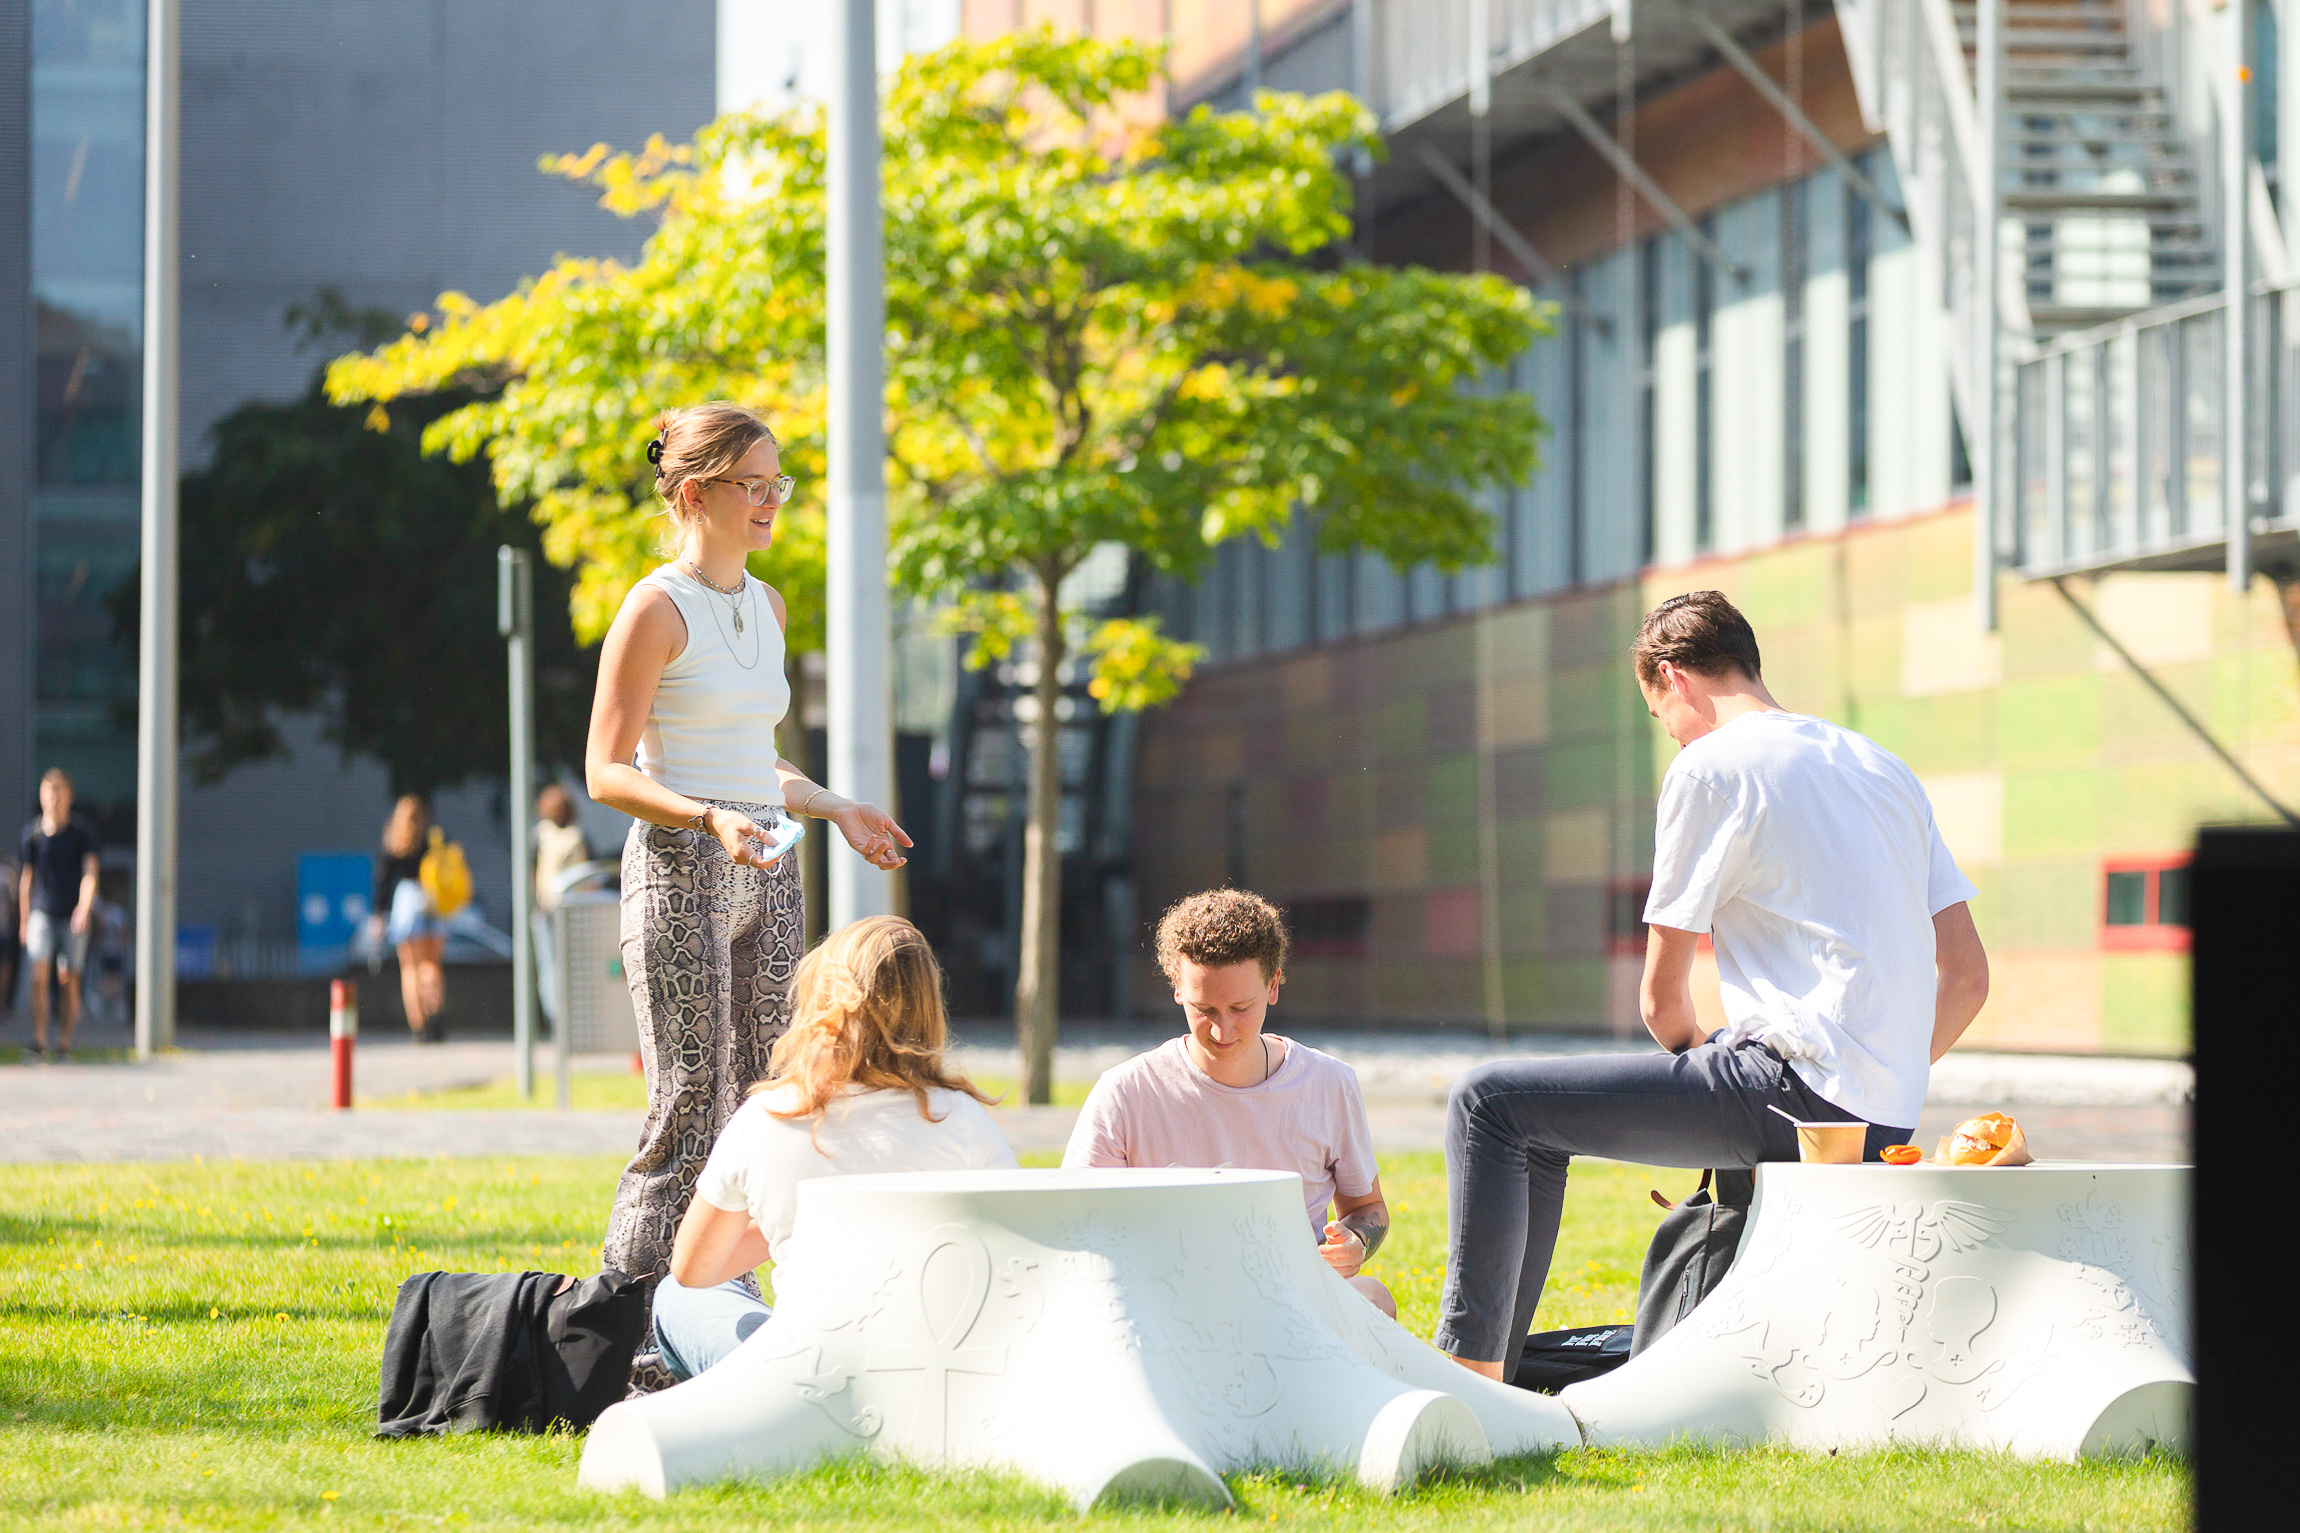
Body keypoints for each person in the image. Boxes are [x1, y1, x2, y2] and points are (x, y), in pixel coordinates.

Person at [1436, 591, 1991, 1379]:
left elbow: (1663, 1005)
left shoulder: (1709, 767)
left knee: (1488, 1103)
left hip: (1782, 1087)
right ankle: (1500, 1371)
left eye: (1661, 714)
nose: (1672, 732)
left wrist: (1703, 1066)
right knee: (1534, 1128)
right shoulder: (1884, 767)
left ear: (1673, 678)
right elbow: (1968, 977)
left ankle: (1466, 1379)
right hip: (1883, 1115)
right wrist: (1880, 1074)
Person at [584, 401, 912, 1312]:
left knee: (763, 1102)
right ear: (695, 493)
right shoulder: (653, 607)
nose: (772, 501)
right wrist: (705, 820)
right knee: (687, 1103)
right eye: (753, 486)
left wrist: (836, 805)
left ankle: (729, 1306)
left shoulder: (766, 604)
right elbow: (605, 769)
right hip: (680, 866)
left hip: (768, 865)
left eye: (779, 484)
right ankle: (628, 1316)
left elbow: (751, 759)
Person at [652, 916, 1016, 1381]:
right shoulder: (962, 1120)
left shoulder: (768, 1117)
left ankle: (736, 1418)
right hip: (927, 1371)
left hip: (802, 1378)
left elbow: (693, 1271)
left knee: (675, 1298)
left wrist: (784, 1224)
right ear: (929, 1007)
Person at [1063, 888, 1396, 1317]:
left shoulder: (1328, 1083)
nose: (1223, 1031)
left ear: (1273, 985)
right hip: (1165, 1306)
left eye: (1241, 1007)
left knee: (1374, 1301)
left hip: (1292, 1304)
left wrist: (1354, 1243)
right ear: (1176, 988)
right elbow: (1073, 1221)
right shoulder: (1125, 1091)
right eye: (1205, 1009)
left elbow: (1367, 1209)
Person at [18, 769, 100, 1060]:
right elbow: (26, 879)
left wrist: (83, 907)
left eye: (59, 792)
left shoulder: (82, 833)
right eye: (49, 793)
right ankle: (39, 1041)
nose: (54, 799)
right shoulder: (32, 835)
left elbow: (90, 874)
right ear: (41, 796)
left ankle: (64, 1043)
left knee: (68, 978)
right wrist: (24, 919)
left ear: (69, 796)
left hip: (72, 915)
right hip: (42, 911)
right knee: (38, 974)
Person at [369, 796, 449, 1044]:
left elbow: (382, 881)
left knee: (410, 969)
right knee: (432, 966)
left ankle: (418, 1026)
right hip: (432, 899)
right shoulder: (431, 838)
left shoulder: (393, 841)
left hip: (407, 902)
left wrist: (379, 915)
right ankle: (435, 1014)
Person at [531, 784, 593, 1031]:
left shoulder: (539, 834)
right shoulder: (576, 836)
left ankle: (558, 1019)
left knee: (552, 967)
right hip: (568, 910)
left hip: (551, 909)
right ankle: (567, 1019)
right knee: (567, 967)